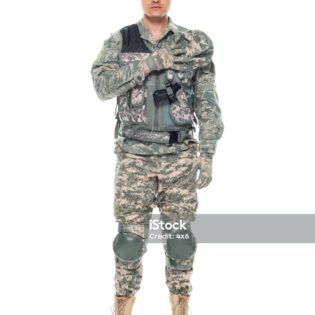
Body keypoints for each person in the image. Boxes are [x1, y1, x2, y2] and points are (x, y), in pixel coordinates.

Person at [91, 0, 224, 314]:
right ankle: (122, 306)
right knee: (128, 243)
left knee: (179, 241)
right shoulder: (121, 41)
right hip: (133, 159)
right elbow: (101, 86)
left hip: (178, 159)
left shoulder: (192, 44)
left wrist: (207, 154)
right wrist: (147, 65)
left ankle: (180, 306)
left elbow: (208, 103)